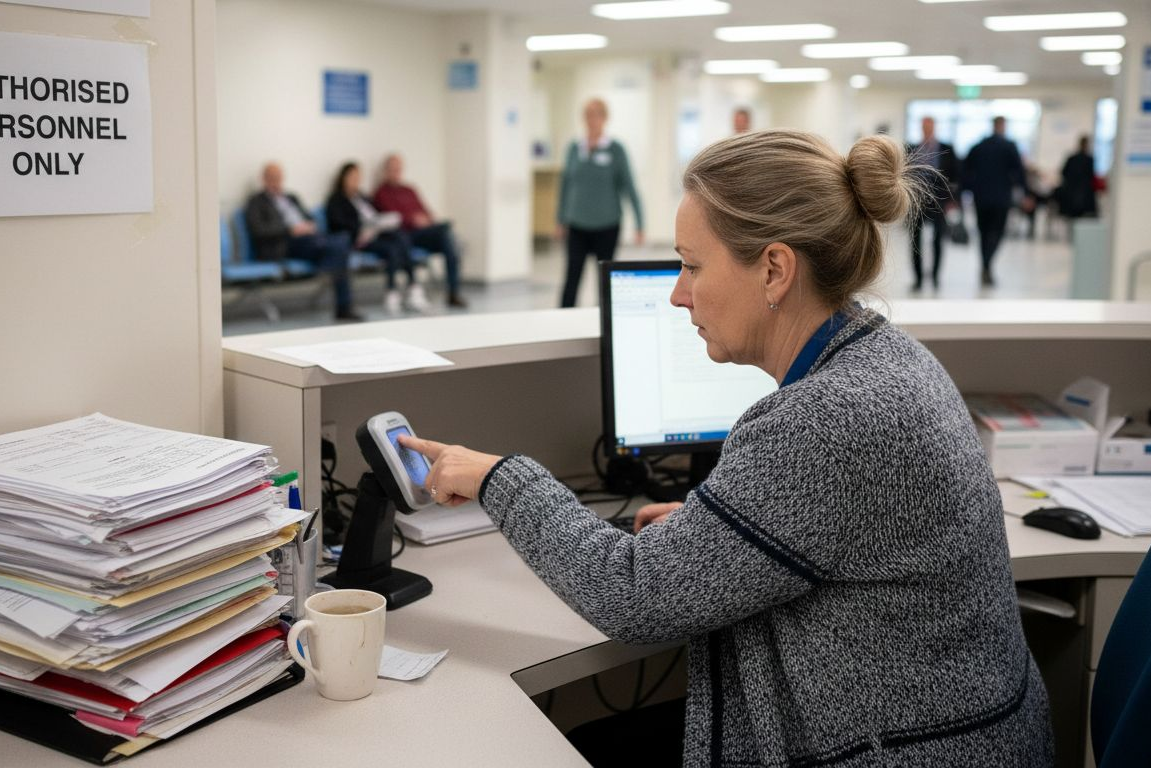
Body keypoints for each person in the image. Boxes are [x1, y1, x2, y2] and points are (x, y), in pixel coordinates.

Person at [401, 130, 1054, 767]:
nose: (677, 294)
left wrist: (500, 479)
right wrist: (714, 528)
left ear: (774, 268)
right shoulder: (884, 354)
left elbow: (634, 596)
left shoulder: (819, 423)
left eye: (691, 265)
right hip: (959, 731)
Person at [556, 98, 644, 308]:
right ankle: (562, 318)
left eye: (596, 114)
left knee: (604, 277)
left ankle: (605, 320)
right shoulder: (574, 148)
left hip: (607, 225)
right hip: (576, 224)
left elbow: (629, 187)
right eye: (587, 114)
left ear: (605, 118)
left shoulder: (615, 150)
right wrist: (560, 219)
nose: (591, 119)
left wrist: (640, 223)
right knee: (572, 275)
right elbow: (565, 186)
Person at [244, 162, 361, 322]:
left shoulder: (291, 197)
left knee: (341, 241)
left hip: (308, 238)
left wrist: (309, 225)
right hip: (283, 244)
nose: (276, 181)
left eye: (278, 177)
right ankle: (343, 307)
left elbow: (309, 217)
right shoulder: (256, 202)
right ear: (264, 179)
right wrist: (290, 230)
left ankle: (327, 267)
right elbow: (258, 231)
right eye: (272, 177)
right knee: (339, 248)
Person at [326, 161, 428, 314]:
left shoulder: (363, 198)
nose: (356, 180)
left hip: (377, 234)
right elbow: (337, 225)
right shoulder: (336, 200)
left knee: (401, 238)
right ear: (343, 178)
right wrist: (361, 230)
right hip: (359, 240)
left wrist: (379, 224)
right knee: (393, 249)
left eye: (358, 177)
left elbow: (376, 216)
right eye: (352, 177)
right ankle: (393, 291)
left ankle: (412, 287)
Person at [373, 153, 467, 308]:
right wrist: (413, 220)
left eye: (398, 169)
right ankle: (414, 287)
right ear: (386, 170)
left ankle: (453, 292)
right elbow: (393, 218)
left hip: (423, 232)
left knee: (449, 239)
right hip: (405, 235)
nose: (396, 172)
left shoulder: (410, 190)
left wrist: (427, 219)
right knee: (441, 233)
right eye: (392, 169)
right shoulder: (381, 192)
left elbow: (425, 211)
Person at [962, 116, 1034, 288]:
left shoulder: (978, 147)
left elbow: (965, 171)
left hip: (981, 197)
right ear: (1001, 126)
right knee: (997, 232)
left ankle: (985, 264)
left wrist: (968, 190)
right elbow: (1019, 172)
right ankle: (987, 264)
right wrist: (1026, 193)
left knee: (983, 233)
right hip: (1001, 198)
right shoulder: (1009, 147)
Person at [906, 116, 960, 290]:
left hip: (939, 200)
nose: (927, 130)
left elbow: (956, 176)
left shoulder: (947, 149)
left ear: (934, 128)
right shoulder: (911, 149)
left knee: (938, 239)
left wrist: (953, 200)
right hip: (917, 201)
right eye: (924, 127)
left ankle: (935, 276)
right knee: (915, 241)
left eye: (929, 127)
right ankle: (918, 278)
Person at [1059, 135, 1098, 220]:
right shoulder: (1089, 160)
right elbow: (1091, 176)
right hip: (1084, 196)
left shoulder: (1072, 158)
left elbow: (1063, 173)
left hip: (1070, 195)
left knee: (1071, 218)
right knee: (1081, 220)